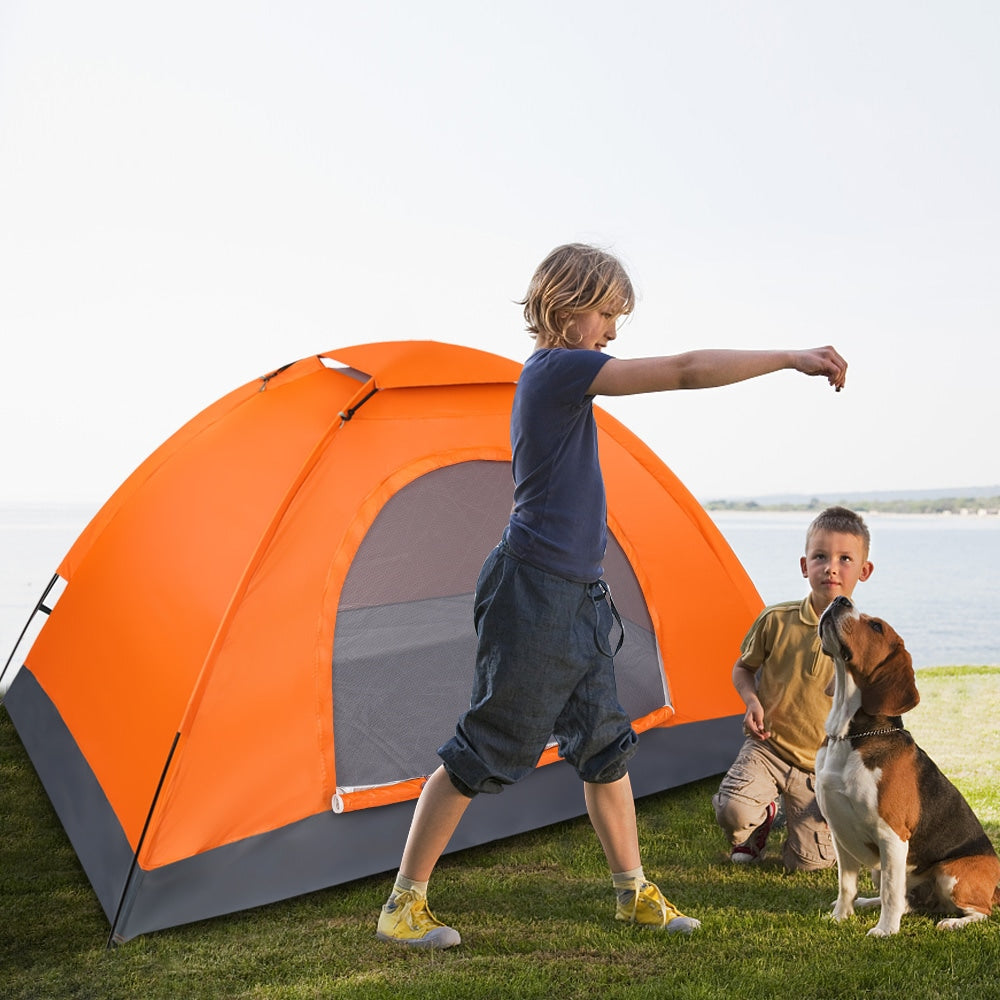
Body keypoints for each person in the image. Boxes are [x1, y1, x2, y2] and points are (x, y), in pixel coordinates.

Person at [375, 243, 849, 948]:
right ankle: (402, 907)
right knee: (486, 747)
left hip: (578, 596)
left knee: (604, 748)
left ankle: (633, 894)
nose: (613, 332)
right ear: (565, 306)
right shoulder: (560, 368)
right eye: (605, 313)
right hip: (535, 595)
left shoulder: (558, 376)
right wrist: (789, 357)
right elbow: (686, 372)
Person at [712, 506, 874, 871]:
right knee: (733, 811)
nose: (831, 567)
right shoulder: (775, 620)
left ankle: (798, 827)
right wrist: (751, 700)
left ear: (864, 571)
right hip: (767, 746)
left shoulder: (864, 641)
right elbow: (743, 668)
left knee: (810, 864)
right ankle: (760, 817)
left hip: (818, 768)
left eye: (845, 558)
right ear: (805, 566)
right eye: (820, 557)